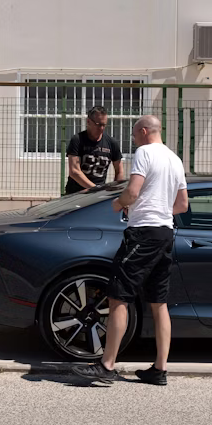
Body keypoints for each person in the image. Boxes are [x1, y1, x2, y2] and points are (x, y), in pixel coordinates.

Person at [72, 115, 187, 386]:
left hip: (142, 234)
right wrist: (159, 211)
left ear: (144, 131)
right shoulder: (175, 159)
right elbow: (182, 204)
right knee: (159, 302)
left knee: (118, 297)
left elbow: (132, 192)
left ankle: (106, 365)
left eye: (134, 135)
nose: (134, 140)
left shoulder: (145, 153)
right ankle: (159, 369)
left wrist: (118, 204)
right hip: (165, 233)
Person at [65, 106, 125, 193]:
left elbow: (119, 171)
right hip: (76, 193)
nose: (101, 128)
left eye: (104, 125)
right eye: (98, 124)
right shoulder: (78, 140)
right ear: (88, 121)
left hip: (98, 194)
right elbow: (74, 171)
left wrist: (115, 191)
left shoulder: (112, 143)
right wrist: (95, 188)